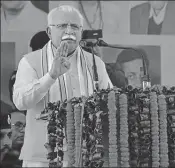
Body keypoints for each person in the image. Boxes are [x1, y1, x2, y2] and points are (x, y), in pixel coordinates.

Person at [12, 5, 113, 167]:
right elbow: (20, 102)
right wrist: (51, 76)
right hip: (42, 157)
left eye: (74, 26)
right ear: (49, 32)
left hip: (86, 154)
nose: (69, 31)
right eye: (62, 26)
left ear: (81, 32)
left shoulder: (95, 63)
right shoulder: (30, 61)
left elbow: (109, 104)